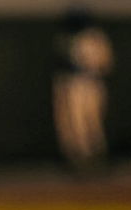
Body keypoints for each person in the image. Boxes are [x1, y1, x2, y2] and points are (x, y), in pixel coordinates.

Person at [54, 9, 114, 171]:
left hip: (92, 83)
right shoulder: (69, 38)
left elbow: (106, 64)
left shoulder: (96, 38)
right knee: (75, 122)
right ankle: (79, 159)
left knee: (92, 122)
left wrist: (88, 66)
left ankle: (95, 157)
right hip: (74, 84)